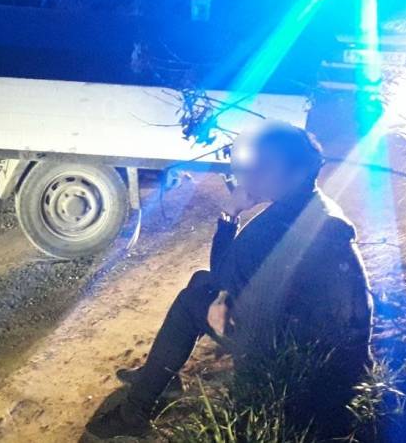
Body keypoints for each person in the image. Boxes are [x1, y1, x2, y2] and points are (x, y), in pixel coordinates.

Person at [86, 121, 373, 439]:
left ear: (297, 173)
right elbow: (234, 276)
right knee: (201, 282)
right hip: (326, 357)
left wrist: (230, 213)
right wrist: (225, 294)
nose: (251, 173)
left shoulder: (278, 226)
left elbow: (224, 270)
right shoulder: (317, 209)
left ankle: (134, 412)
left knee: (192, 301)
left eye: (264, 166)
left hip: (296, 367)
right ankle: (162, 376)